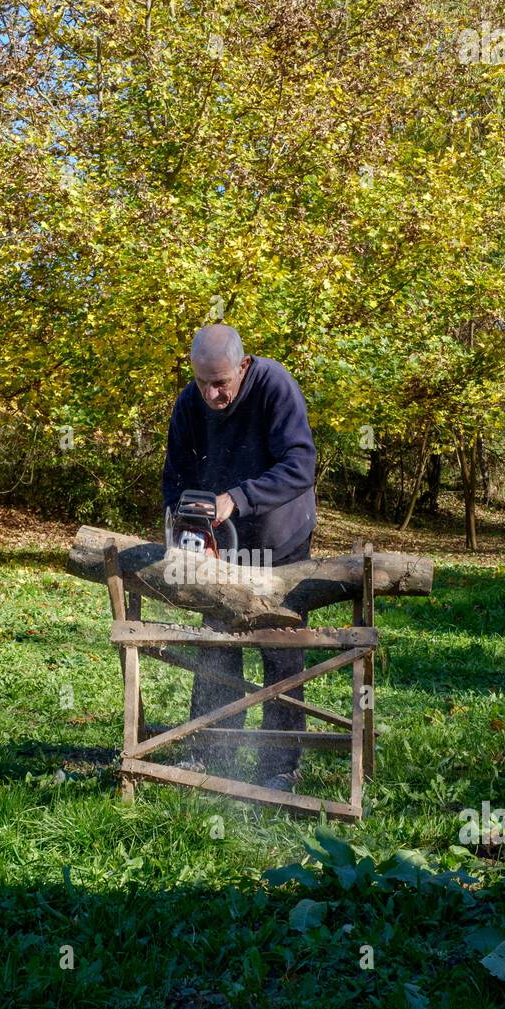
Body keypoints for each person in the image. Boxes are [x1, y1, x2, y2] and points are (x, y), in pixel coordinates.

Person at [161, 323, 317, 791]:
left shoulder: (275, 386)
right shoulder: (190, 402)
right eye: (203, 382)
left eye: (222, 383)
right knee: (217, 643)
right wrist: (181, 519)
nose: (213, 394)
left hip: (278, 539)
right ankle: (210, 753)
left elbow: (300, 465)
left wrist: (238, 497)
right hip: (218, 544)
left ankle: (279, 765)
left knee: (279, 646)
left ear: (243, 366)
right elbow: (175, 474)